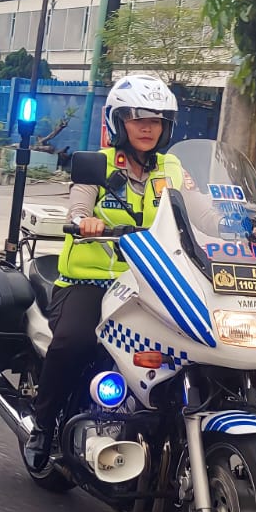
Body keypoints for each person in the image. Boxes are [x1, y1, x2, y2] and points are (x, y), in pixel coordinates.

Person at [24, 74, 185, 470]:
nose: (147, 127)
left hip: (152, 284)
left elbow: (200, 210)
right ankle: (42, 426)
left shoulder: (173, 169)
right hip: (91, 281)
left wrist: (241, 228)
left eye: (156, 120)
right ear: (118, 121)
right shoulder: (99, 164)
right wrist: (86, 221)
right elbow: (79, 205)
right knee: (73, 342)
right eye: (137, 118)